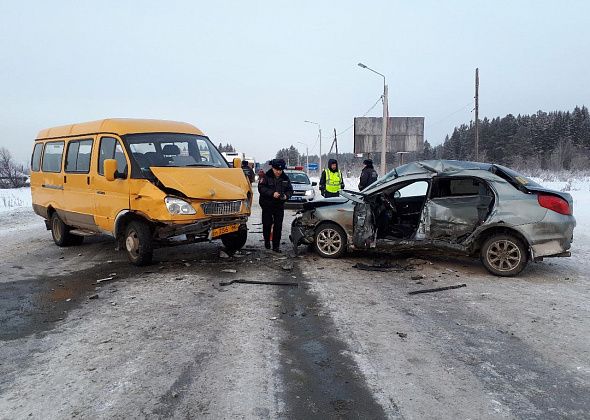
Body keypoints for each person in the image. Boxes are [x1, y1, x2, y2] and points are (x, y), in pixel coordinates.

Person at [258, 159, 293, 252]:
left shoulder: (285, 178)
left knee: (278, 226)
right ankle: (267, 241)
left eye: (280, 170)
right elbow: (261, 188)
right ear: (273, 168)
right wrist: (272, 193)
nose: (278, 172)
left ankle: (276, 246)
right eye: (277, 170)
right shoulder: (266, 176)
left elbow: (290, 190)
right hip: (267, 204)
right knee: (267, 224)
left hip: (279, 205)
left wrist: (286, 196)